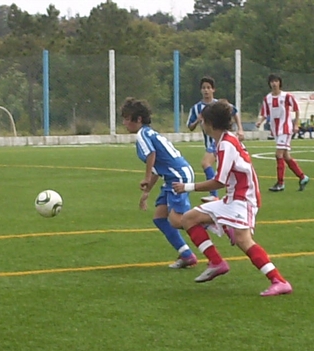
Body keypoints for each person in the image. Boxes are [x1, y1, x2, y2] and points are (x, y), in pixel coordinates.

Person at [172, 101, 292, 296]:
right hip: (233, 198)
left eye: (203, 121)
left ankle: (279, 281)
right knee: (189, 218)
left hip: (243, 200)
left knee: (244, 240)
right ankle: (216, 262)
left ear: (210, 124)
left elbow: (219, 181)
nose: (201, 124)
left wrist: (187, 187)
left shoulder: (226, 144)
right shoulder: (225, 140)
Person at [121, 97, 198, 269]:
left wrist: (146, 177)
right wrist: (147, 191)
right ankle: (186, 255)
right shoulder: (148, 132)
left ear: (138, 119)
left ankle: (217, 222)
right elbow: (157, 165)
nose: (124, 123)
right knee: (160, 218)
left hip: (178, 176)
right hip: (174, 176)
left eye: (127, 118)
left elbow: (151, 155)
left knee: (178, 220)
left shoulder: (142, 134)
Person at [187, 76, 244, 202]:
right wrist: (198, 120)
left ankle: (214, 195)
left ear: (213, 90)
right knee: (225, 168)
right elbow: (190, 126)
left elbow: (234, 112)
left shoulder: (219, 105)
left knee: (206, 163)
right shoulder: (196, 108)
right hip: (209, 143)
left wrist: (240, 128)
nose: (206, 90)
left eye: (208, 88)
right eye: (203, 88)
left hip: (218, 140)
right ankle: (230, 192)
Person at [255, 74, 309, 192]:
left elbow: (296, 109)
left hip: (285, 128)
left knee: (278, 154)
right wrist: (260, 121)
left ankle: (280, 183)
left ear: (280, 83)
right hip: (276, 130)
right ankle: (302, 177)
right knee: (286, 156)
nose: (274, 83)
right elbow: (265, 113)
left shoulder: (286, 96)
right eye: (272, 81)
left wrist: (296, 124)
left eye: (276, 81)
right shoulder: (267, 98)